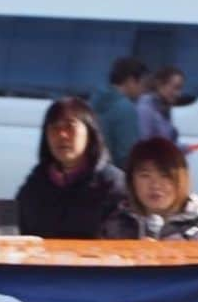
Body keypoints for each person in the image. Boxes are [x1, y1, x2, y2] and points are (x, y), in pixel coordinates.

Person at [15, 97, 126, 239]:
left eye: (70, 126)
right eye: (54, 128)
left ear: (90, 133)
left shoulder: (114, 187)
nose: (62, 135)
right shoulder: (34, 186)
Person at [102, 137, 198, 241]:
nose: (155, 185)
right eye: (145, 176)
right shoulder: (116, 225)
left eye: (165, 176)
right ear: (131, 181)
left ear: (181, 180)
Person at [89, 56, 148, 169]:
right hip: (112, 178)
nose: (144, 91)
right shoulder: (126, 109)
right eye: (142, 84)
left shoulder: (93, 102)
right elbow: (127, 156)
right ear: (131, 81)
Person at [137, 65, 184, 145]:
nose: (178, 94)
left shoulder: (164, 109)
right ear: (160, 85)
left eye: (180, 89)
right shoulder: (145, 110)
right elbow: (144, 146)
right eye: (176, 88)